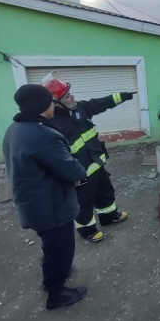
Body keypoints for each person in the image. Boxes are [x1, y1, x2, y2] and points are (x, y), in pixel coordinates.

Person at [3, 84, 88, 310]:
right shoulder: (41, 135)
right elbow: (70, 170)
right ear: (42, 106)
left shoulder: (15, 128)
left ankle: (55, 273)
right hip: (51, 206)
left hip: (33, 202)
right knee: (61, 249)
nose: (53, 105)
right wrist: (80, 171)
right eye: (50, 102)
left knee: (52, 246)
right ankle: (56, 293)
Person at [42, 72, 134, 242]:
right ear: (57, 103)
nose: (73, 97)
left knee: (105, 192)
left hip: (96, 164)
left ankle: (108, 216)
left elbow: (100, 103)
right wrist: (71, 176)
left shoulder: (80, 108)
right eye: (68, 96)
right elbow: (57, 157)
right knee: (83, 203)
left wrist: (122, 96)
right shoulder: (52, 125)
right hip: (80, 173)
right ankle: (87, 230)